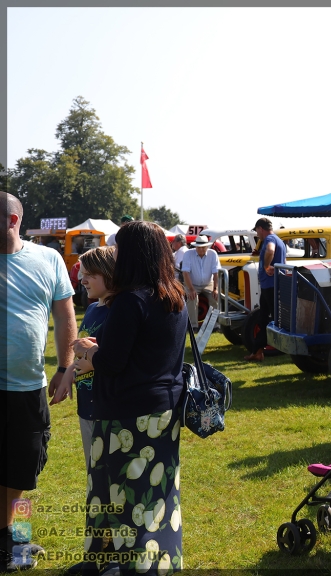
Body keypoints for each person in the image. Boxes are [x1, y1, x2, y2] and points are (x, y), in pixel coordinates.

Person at [70, 221, 187, 575]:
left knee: (122, 497)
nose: (115, 255)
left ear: (132, 253)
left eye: (118, 248)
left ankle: (124, 566)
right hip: (163, 413)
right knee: (157, 496)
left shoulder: (129, 300)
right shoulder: (173, 295)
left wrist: (90, 350)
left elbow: (111, 362)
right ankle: (158, 562)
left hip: (126, 417)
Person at [1, 192, 75, 571]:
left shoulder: (48, 259)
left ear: (12, 222)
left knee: (26, 469)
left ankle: (17, 537)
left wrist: (65, 368)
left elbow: (64, 316)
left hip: (29, 387)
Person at [50, 246, 116, 469]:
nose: (82, 279)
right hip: (85, 406)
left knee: (109, 471)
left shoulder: (119, 312)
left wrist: (88, 363)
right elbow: (82, 351)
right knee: (93, 469)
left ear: (109, 273)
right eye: (82, 273)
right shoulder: (91, 310)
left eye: (89, 275)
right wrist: (69, 372)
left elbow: (111, 358)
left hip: (108, 408)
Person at [245, 218, 287, 361]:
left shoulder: (270, 239)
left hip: (271, 286)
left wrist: (266, 266)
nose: (257, 234)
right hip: (271, 285)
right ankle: (257, 351)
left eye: (257, 230)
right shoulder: (278, 239)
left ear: (260, 228)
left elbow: (270, 250)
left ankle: (281, 349)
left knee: (274, 319)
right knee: (263, 319)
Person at [181, 235, 221, 329]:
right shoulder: (188, 254)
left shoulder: (213, 254)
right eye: (199, 248)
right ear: (195, 247)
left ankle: (215, 325)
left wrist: (215, 289)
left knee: (215, 297)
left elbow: (216, 273)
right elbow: (185, 273)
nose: (201, 250)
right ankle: (193, 326)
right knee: (192, 298)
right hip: (192, 283)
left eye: (203, 247)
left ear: (207, 246)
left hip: (208, 283)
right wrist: (191, 289)